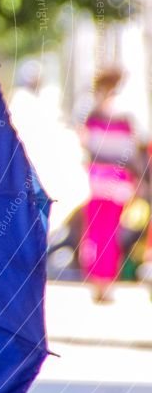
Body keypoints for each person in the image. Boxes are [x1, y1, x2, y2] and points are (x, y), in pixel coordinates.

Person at [78, 67, 137, 302]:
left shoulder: (91, 112)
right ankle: (107, 282)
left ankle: (97, 281)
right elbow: (130, 149)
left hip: (96, 178)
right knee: (111, 232)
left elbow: (85, 144)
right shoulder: (126, 113)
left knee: (95, 231)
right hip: (118, 179)